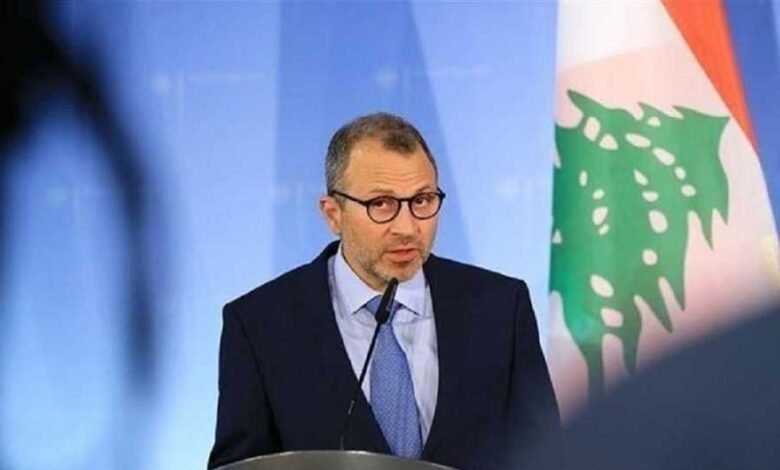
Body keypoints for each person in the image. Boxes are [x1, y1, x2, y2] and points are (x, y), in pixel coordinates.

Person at [207, 112, 559, 470]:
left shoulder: (499, 308)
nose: (407, 227)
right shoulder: (259, 324)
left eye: (422, 200)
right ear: (333, 214)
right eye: (381, 204)